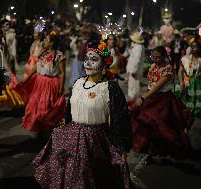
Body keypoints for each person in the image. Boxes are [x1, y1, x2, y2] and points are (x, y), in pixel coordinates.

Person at [32, 41, 132, 189]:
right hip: (71, 137)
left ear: (104, 65)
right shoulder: (78, 83)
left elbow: (119, 119)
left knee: (92, 178)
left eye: (94, 59)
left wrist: (121, 146)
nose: (88, 63)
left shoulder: (109, 88)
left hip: (95, 142)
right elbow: (69, 111)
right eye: (86, 59)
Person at [130, 46, 193, 165]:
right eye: (154, 57)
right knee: (147, 125)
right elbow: (150, 83)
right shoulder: (153, 66)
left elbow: (157, 86)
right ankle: (149, 152)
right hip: (152, 98)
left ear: (164, 56)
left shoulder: (168, 69)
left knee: (161, 126)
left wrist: (143, 98)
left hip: (163, 101)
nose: (156, 60)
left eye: (158, 57)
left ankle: (158, 151)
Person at [17, 31, 66, 133]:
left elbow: (62, 73)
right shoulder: (43, 53)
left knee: (46, 107)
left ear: (52, 43)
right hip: (39, 82)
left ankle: (46, 129)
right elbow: (36, 67)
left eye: (46, 40)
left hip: (51, 84)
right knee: (34, 104)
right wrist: (26, 78)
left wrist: (61, 87)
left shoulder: (59, 55)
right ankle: (38, 126)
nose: (44, 41)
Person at [176, 39, 201, 116]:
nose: (192, 48)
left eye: (195, 46)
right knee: (185, 98)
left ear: (200, 48)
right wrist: (181, 82)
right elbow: (180, 71)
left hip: (198, 83)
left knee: (197, 101)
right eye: (192, 46)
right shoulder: (184, 59)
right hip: (187, 80)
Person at [126, 32, 145, 100]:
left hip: (134, 71)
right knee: (133, 87)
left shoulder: (138, 47)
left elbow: (136, 60)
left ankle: (133, 102)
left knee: (133, 88)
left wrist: (133, 71)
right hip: (133, 70)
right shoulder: (138, 46)